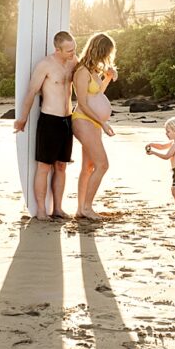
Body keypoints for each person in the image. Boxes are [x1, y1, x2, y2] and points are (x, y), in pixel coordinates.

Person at [13, 29, 78, 219]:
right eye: (68, 51)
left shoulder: (74, 62)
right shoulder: (45, 65)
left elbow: (87, 77)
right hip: (49, 120)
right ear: (57, 49)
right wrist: (22, 118)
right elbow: (31, 92)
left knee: (61, 166)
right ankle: (41, 210)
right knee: (44, 166)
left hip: (67, 120)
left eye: (74, 49)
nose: (73, 53)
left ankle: (57, 208)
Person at [71, 32, 117, 221]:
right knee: (102, 164)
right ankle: (88, 208)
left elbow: (96, 94)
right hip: (83, 120)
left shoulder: (92, 70)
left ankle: (81, 209)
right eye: (107, 54)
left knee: (89, 166)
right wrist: (103, 123)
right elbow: (82, 103)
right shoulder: (82, 72)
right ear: (100, 50)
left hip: (93, 122)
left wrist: (106, 78)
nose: (107, 58)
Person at [146, 116, 175, 215]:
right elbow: (162, 146)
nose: (166, 134)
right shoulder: (174, 142)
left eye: (168, 131)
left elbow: (167, 156)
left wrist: (154, 153)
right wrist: (152, 144)